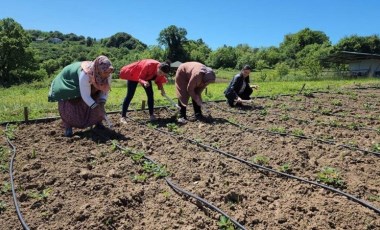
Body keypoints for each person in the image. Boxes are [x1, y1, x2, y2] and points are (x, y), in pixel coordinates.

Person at [48, 55, 114, 137]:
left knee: (97, 101)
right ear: (98, 70)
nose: (106, 74)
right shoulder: (85, 74)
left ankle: (98, 123)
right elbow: (85, 96)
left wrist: (102, 103)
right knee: (72, 104)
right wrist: (96, 107)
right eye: (105, 72)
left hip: (87, 85)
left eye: (108, 72)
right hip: (69, 82)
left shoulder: (108, 72)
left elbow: (105, 90)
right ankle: (68, 127)